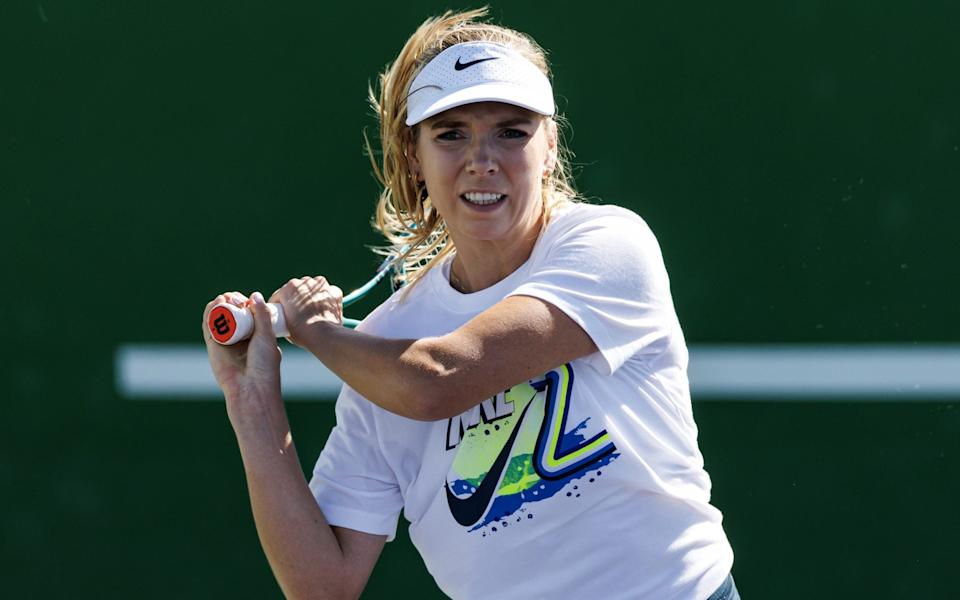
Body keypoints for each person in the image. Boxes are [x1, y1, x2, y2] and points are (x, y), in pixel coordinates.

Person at [203, 8, 739, 600]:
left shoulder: (610, 245)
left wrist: (318, 334)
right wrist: (251, 403)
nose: (482, 160)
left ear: (550, 144)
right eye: (451, 133)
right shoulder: (378, 359)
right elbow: (322, 587)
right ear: (414, 154)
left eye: (511, 131)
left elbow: (438, 381)